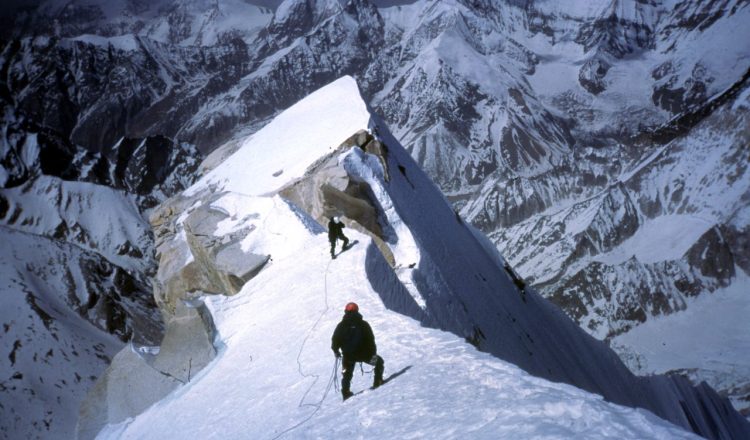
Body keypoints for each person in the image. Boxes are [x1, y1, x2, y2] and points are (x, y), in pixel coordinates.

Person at [331, 302, 385, 400]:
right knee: (379, 362)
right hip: (364, 355)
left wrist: (336, 351)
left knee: (346, 373)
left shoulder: (341, 325)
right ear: (357, 311)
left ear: (346, 311)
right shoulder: (363, 324)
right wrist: (373, 355)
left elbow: (335, 339)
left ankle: (346, 393)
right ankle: (378, 381)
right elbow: (371, 340)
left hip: (348, 356)